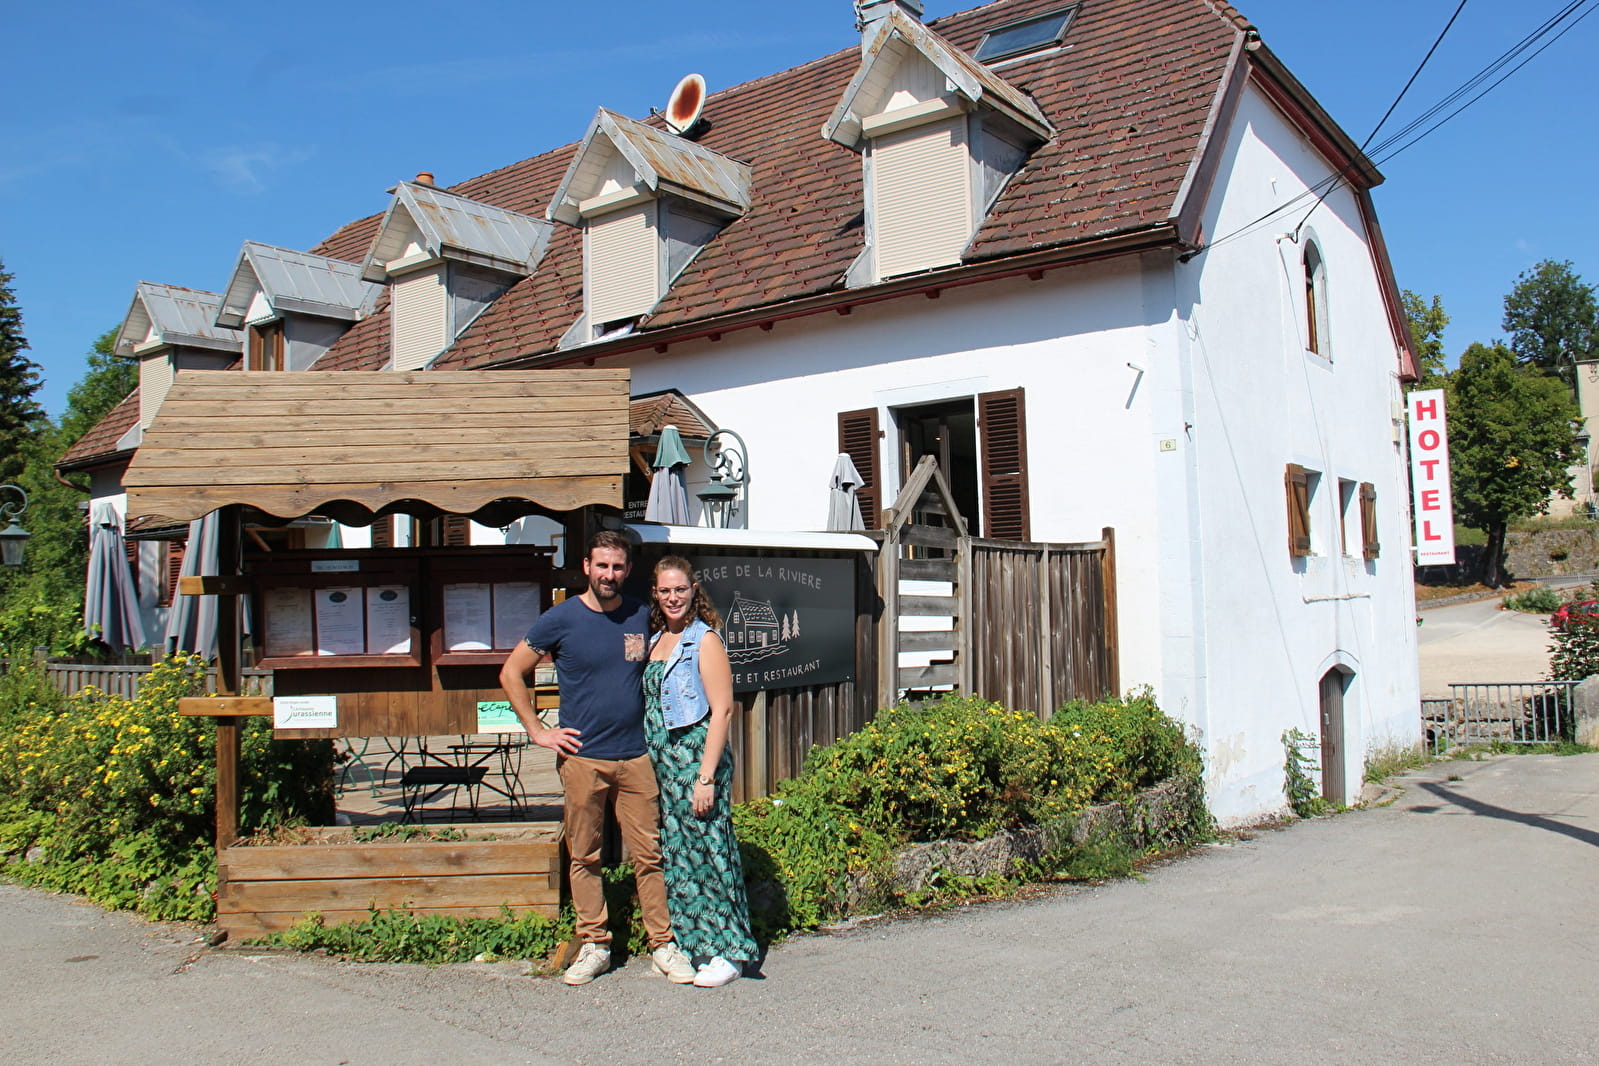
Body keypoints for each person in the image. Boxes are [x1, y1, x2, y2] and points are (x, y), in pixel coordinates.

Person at [499, 530, 696, 986]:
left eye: (618, 566)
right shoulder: (560, 618)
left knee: (649, 855)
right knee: (584, 855)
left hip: (636, 756)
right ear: (587, 567)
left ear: (628, 570)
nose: (609, 574)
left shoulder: (640, 614)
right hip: (582, 758)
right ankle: (595, 943)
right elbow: (511, 672)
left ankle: (662, 944)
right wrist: (537, 730)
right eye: (602, 565)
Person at [644, 555, 759, 987]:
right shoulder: (654, 640)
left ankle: (731, 951)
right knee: (681, 857)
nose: (673, 597)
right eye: (665, 590)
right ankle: (696, 945)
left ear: (694, 590)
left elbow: (723, 710)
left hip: (695, 765)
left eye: (680, 589)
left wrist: (706, 777)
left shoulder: (703, 640)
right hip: (664, 768)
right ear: (655, 594)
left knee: (712, 852)